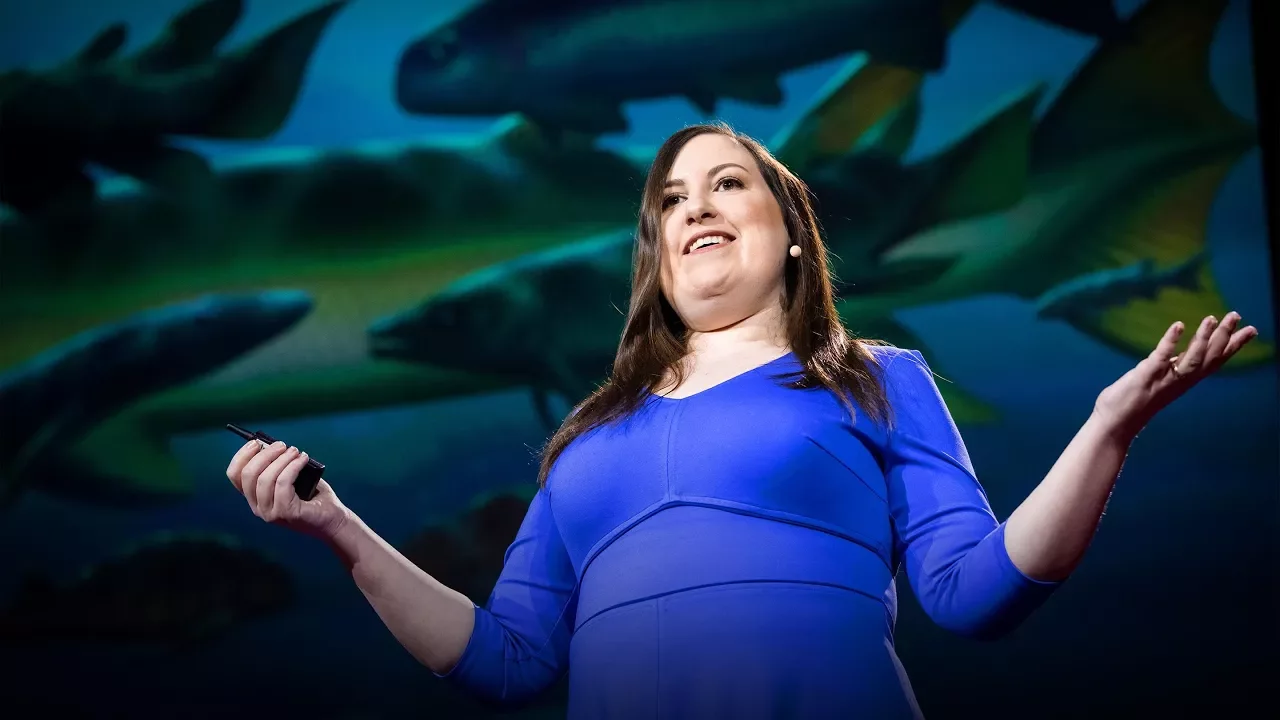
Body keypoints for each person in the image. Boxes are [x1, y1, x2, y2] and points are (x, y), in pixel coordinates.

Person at [225, 124, 1257, 719]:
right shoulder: (584, 437)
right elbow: (506, 660)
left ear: (793, 232)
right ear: (656, 255)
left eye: (727, 183)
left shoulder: (877, 378)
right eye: (672, 200)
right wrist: (338, 529)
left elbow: (974, 594)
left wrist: (1105, 432)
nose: (696, 207)